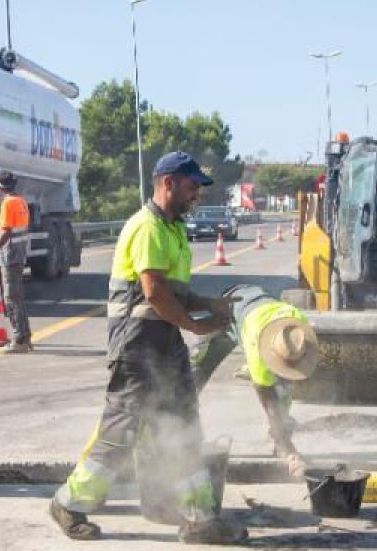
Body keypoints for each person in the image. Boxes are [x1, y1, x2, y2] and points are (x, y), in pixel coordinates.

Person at [49, 151, 248, 545]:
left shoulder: (173, 229)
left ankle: (199, 519)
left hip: (164, 345)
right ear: (168, 182)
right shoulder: (148, 227)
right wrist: (195, 324)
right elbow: (153, 291)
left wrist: (210, 305)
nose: (197, 195)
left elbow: (175, 291)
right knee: (120, 433)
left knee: (184, 427)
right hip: (137, 348)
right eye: (192, 186)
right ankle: (68, 503)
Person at [189, 284, 320, 481]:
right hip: (229, 312)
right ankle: (181, 432)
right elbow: (267, 399)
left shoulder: (298, 331)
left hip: (257, 309)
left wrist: (282, 431)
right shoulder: (257, 346)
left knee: (284, 387)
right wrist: (288, 447)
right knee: (197, 373)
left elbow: (290, 381)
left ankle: (280, 441)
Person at [0, 170, 32, 353]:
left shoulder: (7, 204)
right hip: (19, 254)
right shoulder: (21, 201)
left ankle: (19, 340)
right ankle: (25, 337)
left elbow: (5, 233)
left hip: (9, 254)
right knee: (18, 297)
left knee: (11, 298)